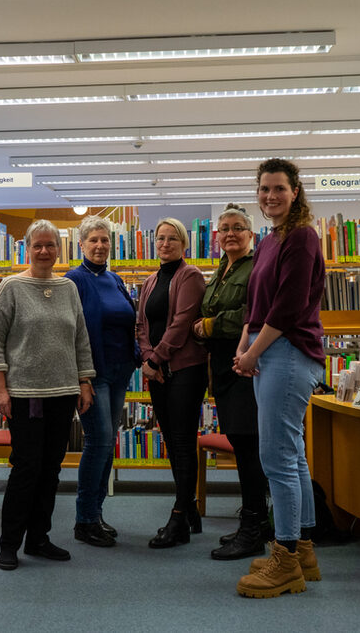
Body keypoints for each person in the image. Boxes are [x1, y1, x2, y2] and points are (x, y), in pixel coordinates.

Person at [233, 158, 326, 598]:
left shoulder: (303, 237)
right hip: (270, 353)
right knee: (294, 456)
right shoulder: (271, 239)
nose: (270, 196)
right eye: (264, 189)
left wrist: (253, 351)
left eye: (279, 189)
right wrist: (244, 346)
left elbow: (288, 308)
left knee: (277, 461)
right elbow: (258, 303)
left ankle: (285, 560)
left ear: (295, 191)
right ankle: (303, 549)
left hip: (288, 354)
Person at [0, 219, 95, 571]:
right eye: (38, 246)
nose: (45, 251)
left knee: (50, 470)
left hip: (63, 393)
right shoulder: (11, 287)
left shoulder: (68, 288)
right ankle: (9, 544)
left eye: (51, 245)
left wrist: (84, 380)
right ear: (27, 249)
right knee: (26, 469)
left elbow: (80, 337)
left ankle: (39, 538)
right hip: (26, 394)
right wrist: (0, 388)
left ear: (59, 251)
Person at [192, 203, 271, 561]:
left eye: (237, 227)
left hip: (246, 365)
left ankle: (255, 527)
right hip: (222, 367)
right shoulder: (222, 268)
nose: (230, 234)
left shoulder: (257, 268)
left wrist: (210, 326)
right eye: (224, 228)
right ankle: (252, 521)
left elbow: (253, 314)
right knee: (240, 445)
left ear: (250, 234)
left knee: (250, 447)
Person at [65, 216, 139, 547]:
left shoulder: (115, 279)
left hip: (121, 370)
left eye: (104, 240)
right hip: (94, 374)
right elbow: (71, 333)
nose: (99, 245)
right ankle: (84, 519)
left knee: (107, 444)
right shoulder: (74, 281)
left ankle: (96, 513)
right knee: (99, 441)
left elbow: (130, 323)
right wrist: (81, 377)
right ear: (81, 244)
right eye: (93, 240)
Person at [137, 217, 208, 548]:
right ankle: (189, 508)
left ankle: (179, 515)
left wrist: (155, 360)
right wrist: (150, 359)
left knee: (181, 441)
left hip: (184, 370)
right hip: (159, 371)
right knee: (171, 439)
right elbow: (141, 324)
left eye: (172, 239)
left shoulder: (190, 276)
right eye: (160, 239)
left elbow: (181, 324)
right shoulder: (151, 280)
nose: (165, 244)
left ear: (184, 244)